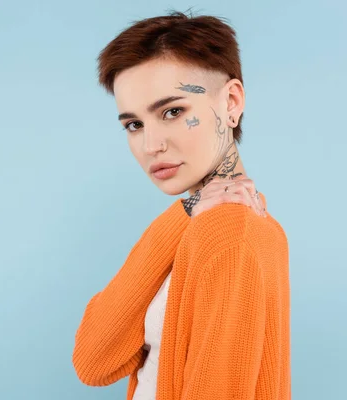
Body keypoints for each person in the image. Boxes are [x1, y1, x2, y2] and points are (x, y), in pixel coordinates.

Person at [71, 12, 290, 400]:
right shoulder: (197, 220)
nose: (150, 144)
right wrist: (184, 213)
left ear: (232, 102)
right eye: (133, 125)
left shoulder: (229, 235)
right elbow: (94, 361)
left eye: (173, 112)